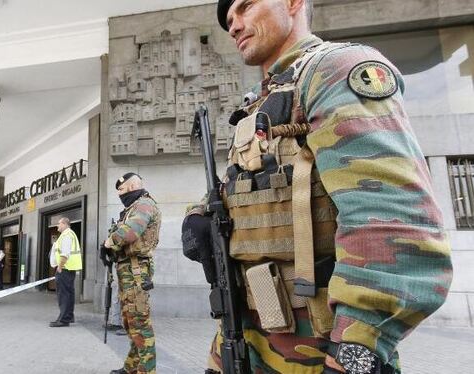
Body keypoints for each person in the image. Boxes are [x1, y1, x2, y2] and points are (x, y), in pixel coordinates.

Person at [184, 1, 453, 373]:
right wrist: (201, 214)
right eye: (229, 20)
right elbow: (264, 187)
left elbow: (392, 221)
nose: (234, 25)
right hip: (246, 333)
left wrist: (354, 353)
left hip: (319, 345)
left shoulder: (333, 70)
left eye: (245, 7)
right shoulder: (261, 102)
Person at [104, 173, 161, 374]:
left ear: (133, 186)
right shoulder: (133, 207)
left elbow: (130, 232)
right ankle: (132, 368)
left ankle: (147, 371)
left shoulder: (144, 204)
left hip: (136, 271)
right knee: (131, 323)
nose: (119, 194)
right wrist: (111, 252)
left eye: (121, 189)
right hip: (128, 270)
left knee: (140, 325)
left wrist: (108, 242)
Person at [49, 217, 83, 327]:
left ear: (64, 224)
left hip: (65, 268)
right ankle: (68, 316)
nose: (57, 226)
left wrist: (60, 266)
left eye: (59, 224)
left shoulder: (67, 235)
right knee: (68, 294)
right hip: (68, 268)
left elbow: (65, 253)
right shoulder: (69, 234)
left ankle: (63, 320)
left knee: (63, 295)